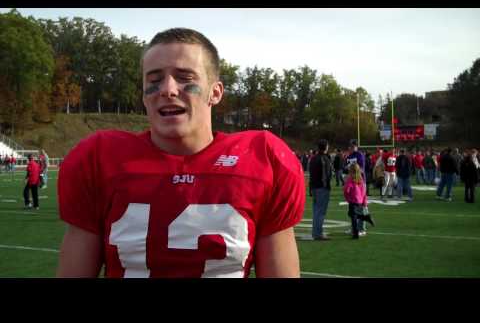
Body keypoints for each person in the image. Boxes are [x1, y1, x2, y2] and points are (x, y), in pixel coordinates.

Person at [56, 28, 305, 278]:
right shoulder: (99, 158)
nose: (168, 89)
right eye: (154, 80)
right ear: (143, 94)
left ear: (215, 92)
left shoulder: (263, 158)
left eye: (185, 77)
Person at [343, 163, 375, 239]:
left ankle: (355, 233)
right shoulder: (360, 179)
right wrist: (364, 202)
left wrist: (347, 197)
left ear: (351, 171)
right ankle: (366, 217)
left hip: (353, 201)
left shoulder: (350, 179)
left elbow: (346, 190)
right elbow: (364, 192)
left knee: (353, 217)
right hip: (360, 201)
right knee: (355, 215)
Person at [308, 139, 332, 241]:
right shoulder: (324, 159)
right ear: (326, 147)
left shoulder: (313, 158)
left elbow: (311, 174)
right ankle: (318, 233)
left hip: (314, 187)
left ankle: (315, 232)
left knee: (316, 211)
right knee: (320, 212)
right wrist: (326, 186)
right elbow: (326, 175)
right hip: (321, 187)